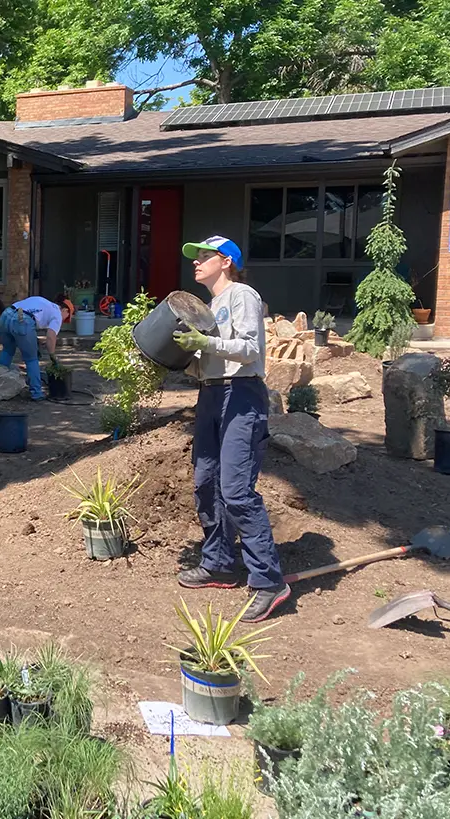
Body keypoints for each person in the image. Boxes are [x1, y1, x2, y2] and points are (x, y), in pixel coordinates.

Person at [171, 235, 290, 623]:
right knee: (206, 481)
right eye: (196, 257)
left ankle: (269, 582)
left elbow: (249, 349)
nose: (197, 262)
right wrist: (179, 357)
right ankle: (219, 562)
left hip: (241, 394)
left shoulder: (242, 295)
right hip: (211, 395)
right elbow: (207, 359)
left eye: (205, 256)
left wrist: (205, 341)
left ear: (226, 262)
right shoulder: (209, 306)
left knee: (236, 490)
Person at [0, 295, 73, 401]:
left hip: (6, 316)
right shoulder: (57, 313)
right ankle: (36, 393)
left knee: (7, 351)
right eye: (66, 317)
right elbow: (51, 336)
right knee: (32, 359)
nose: (64, 321)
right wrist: (52, 356)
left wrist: (35, 340)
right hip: (22, 320)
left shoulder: (44, 302)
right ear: (65, 310)